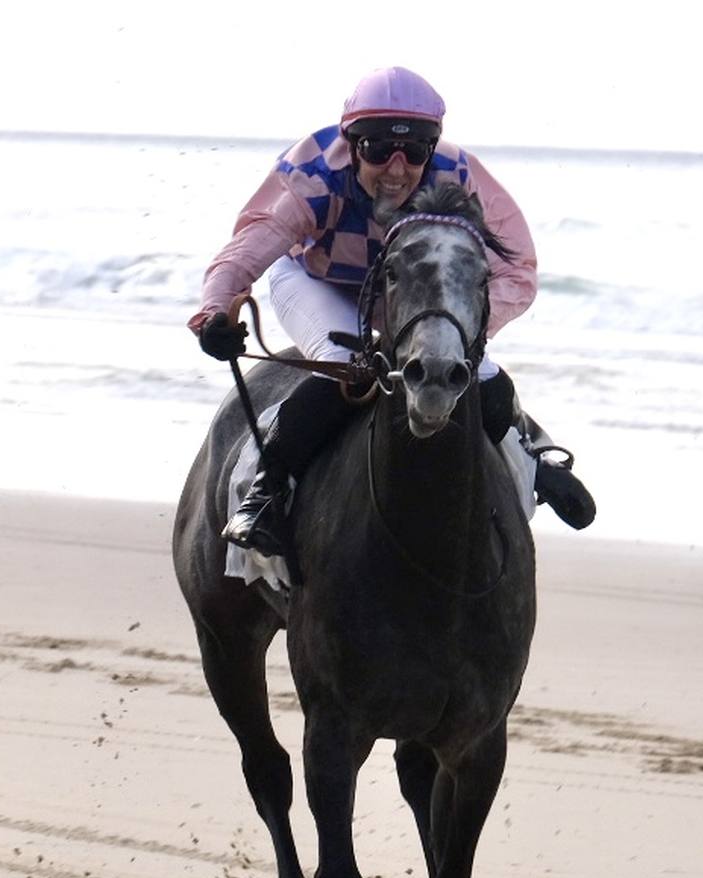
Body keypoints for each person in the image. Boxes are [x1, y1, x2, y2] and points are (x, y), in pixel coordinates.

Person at [190, 66, 595, 557]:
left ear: (432, 148)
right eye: (379, 150)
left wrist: (460, 331)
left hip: (415, 294)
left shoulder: (461, 177)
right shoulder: (313, 175)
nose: (397, 169)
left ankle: (536, 462)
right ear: (353, 143)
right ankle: (268, 491)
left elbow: (519, 270)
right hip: (321, 282)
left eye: (415, 152)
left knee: (478, 374)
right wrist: (213, 314)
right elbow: (246, 251)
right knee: (353, 370)